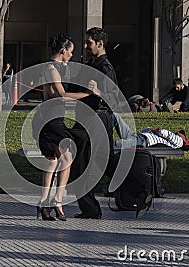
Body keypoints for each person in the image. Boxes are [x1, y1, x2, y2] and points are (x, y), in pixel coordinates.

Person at [32, 33, 91, 221]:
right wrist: (87, 94)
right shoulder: (51, 68)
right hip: (51, 119)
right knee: (67, 155)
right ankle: (55, 201)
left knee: (54, 160)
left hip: (51, 117)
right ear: (63, 50)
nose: (72, 56)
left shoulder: (53, 68)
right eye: (70, 52)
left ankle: (46, 203)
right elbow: (61, 94)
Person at [70, 27, 120, 219]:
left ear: (100, 44)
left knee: (81, 164)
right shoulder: (90, 64)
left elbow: (115, 98)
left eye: (89, 42)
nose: (85, 46)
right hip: (87, 118)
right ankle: (135, 186)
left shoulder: (105, 67)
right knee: (102, 161)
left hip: (95, 118)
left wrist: (100, 93)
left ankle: (91, 209)